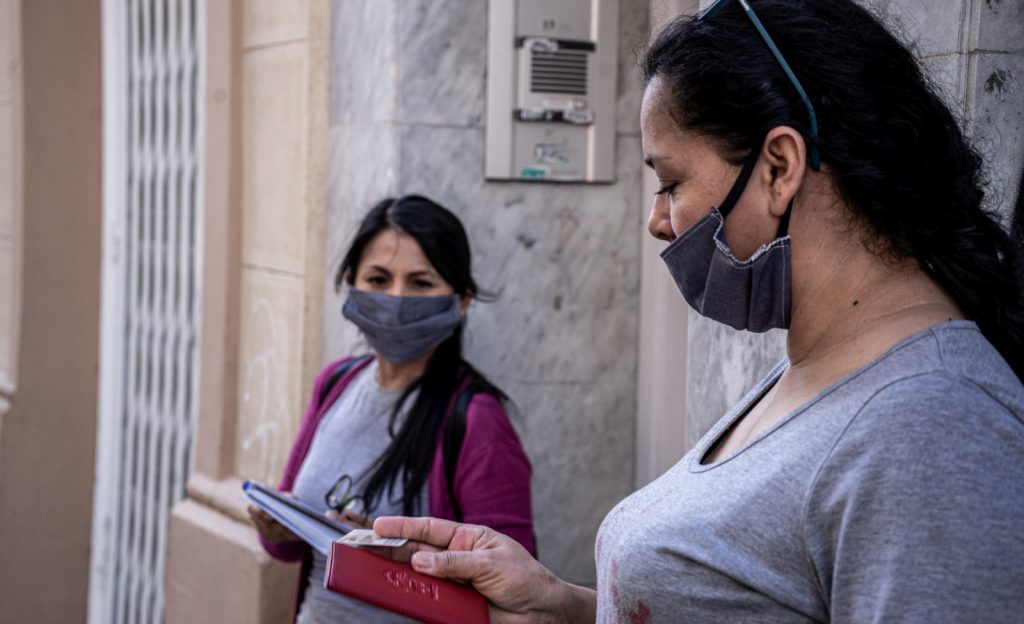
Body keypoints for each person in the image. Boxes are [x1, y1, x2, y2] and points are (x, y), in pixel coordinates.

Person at [372, 1, 1024, 622]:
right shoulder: (818, 365)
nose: (657, 221)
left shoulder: (935, 424)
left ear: (779, 167)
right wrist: (561, 609)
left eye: (671, 183)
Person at [248, 195, 535, 623]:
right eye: (378, 279)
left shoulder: (477, 421)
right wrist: (275, 525)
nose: (397, 299)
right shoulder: (335, 383)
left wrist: (397, 560)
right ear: (351, 283)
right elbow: (287, 548)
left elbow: (514, 597)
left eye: (421, 284)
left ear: (462, 299)